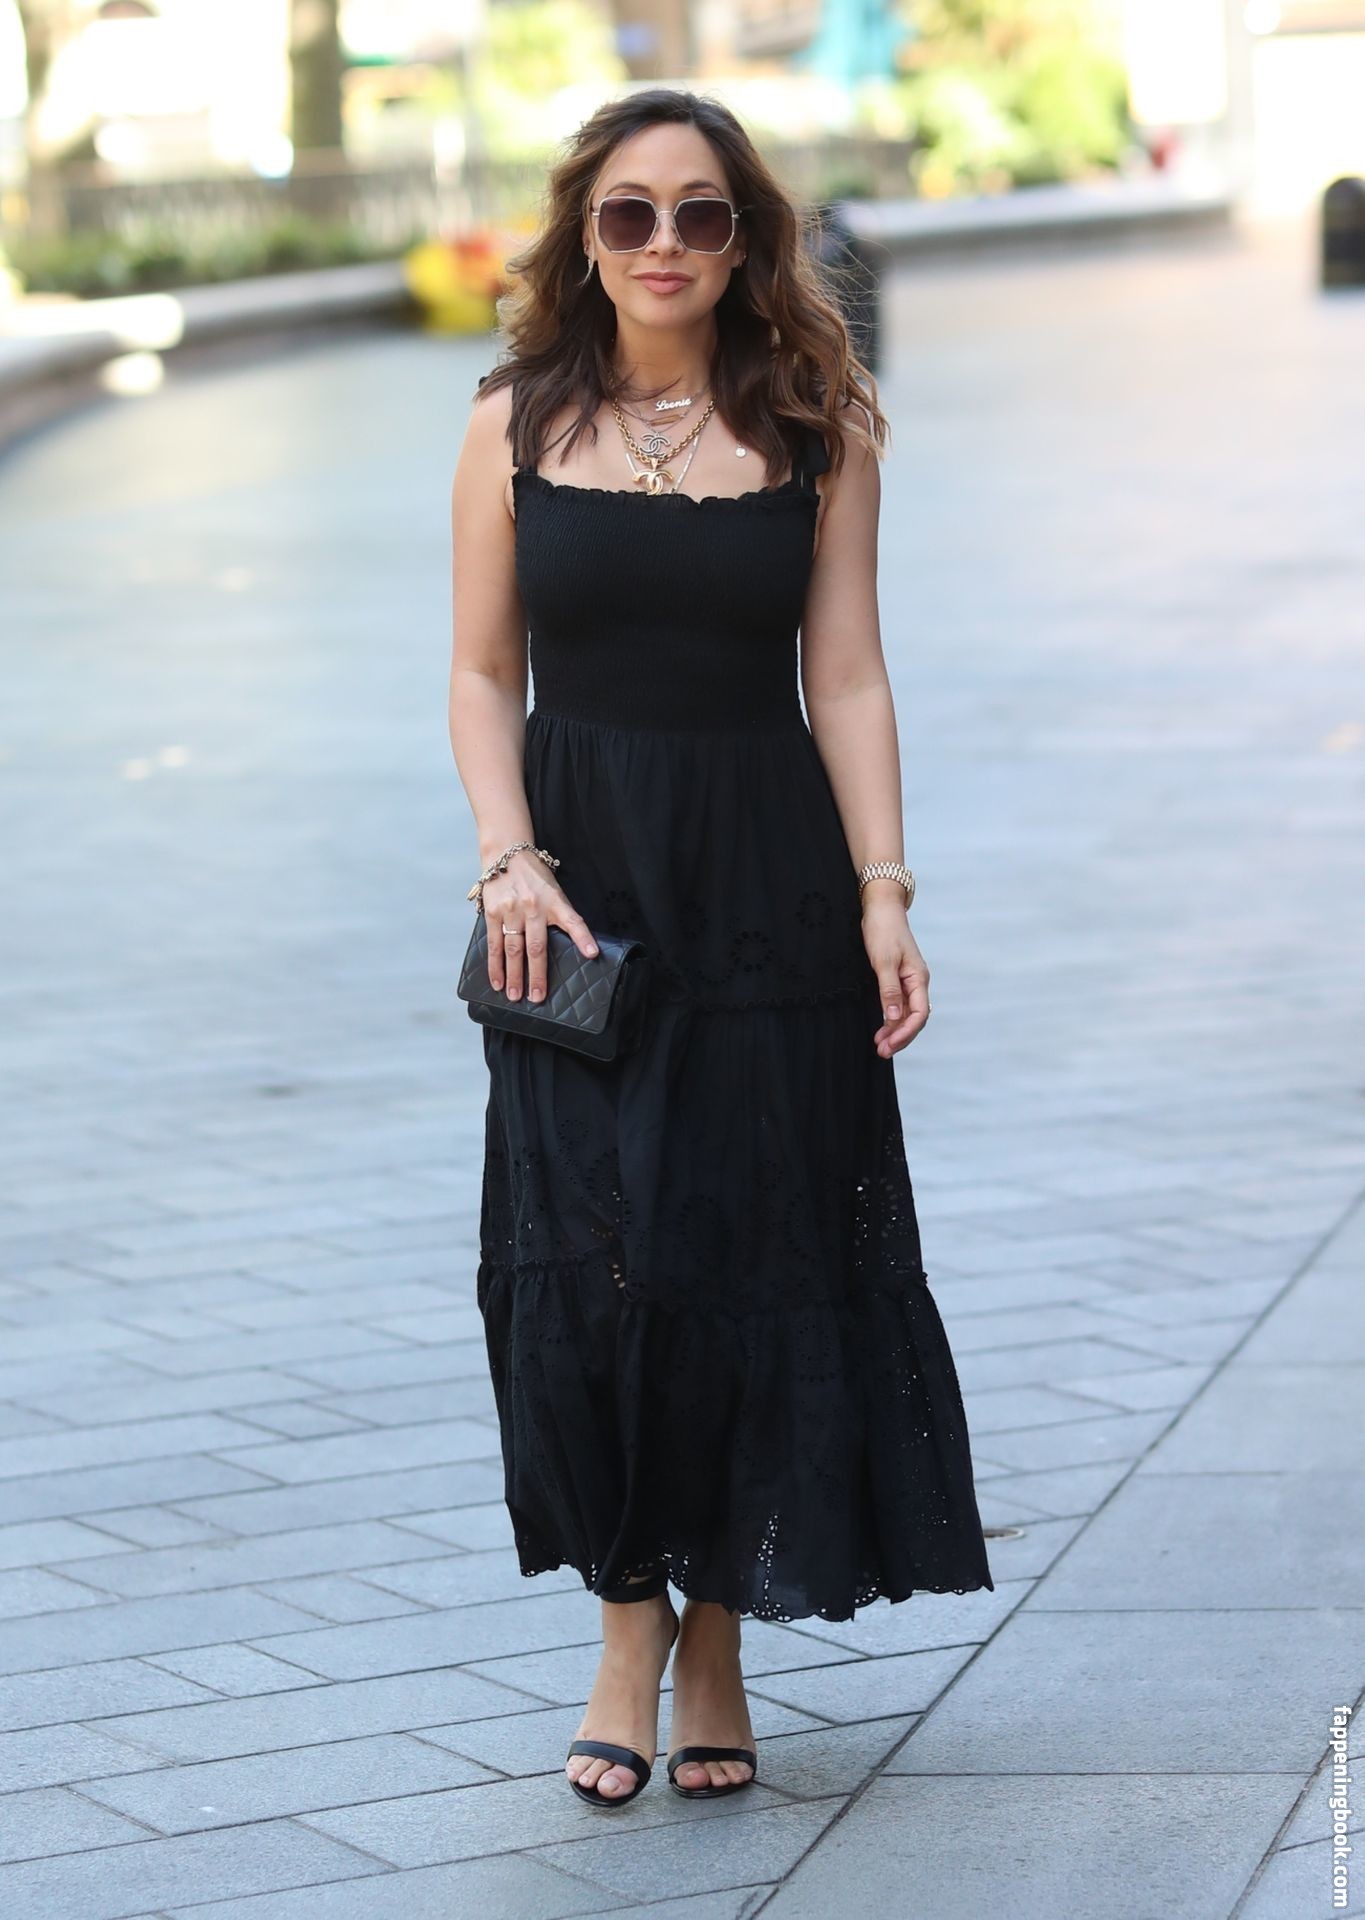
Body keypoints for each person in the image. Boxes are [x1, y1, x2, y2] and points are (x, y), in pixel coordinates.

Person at [448, 86, 994, 1812]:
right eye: (630, 212)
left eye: (701, 212)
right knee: (588, 1259)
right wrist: (506, 859)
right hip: (571, 898)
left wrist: (885, 890)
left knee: (751, 1251)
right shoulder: (513, 419)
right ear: (585, 236)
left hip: (766, 886)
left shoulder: (819, 424)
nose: (666, 242)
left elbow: (847, 674)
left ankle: (716, 1641)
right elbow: (481, 672)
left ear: (746, 236)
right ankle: (626, 1623)